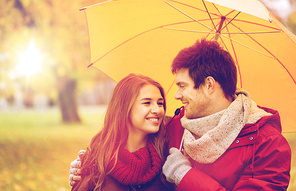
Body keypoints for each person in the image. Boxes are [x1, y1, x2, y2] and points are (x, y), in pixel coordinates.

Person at [70, 39, 291, 190]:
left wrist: (185, 175)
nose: (176, 95)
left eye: (183, 86)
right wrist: (88, 169)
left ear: (209, 85)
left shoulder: (268, 144)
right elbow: (130, 152)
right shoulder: (173, 128)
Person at [70, 73, 173, 191]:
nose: (157, 110)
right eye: (147, 103)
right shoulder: (97, 159)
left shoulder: (167, 158)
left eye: (160, 103)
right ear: (125, 107)